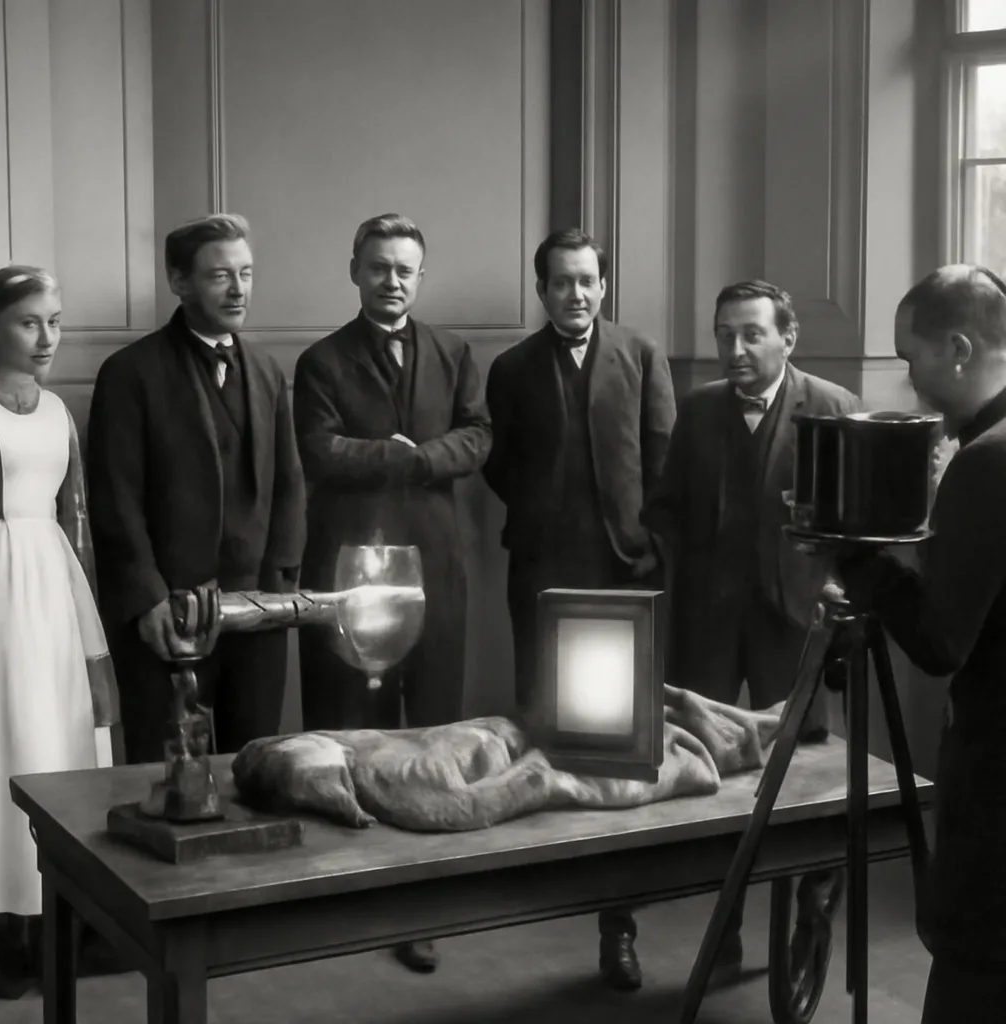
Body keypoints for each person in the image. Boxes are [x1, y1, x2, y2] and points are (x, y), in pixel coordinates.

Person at [642, 279, 858, 984]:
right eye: (724, 335)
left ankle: (810, 916)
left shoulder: (830, 410)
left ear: (787, 337)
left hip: (793, 626)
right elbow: (667, 509)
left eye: (751, 334)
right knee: (712, 777)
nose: (734, 349)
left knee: (807, 781)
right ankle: (725, 925)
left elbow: (854, 533)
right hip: (708, 624)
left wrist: (825, 592)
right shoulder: (699, 412)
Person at [292, 213, 491, 974]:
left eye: (405, 268)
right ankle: (351, 890)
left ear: (419, 274)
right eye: (378, 267)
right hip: (351, 569)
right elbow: (318, 448)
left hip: (437, 567)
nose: (392, 280)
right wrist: (398, 457)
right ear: (355, 271)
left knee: (433, 730)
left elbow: (478, 437)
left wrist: (413, 459)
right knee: (354, 729)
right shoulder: (320, 360)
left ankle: (422, 905)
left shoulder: (454, 352)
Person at [483, 227, 676, 991]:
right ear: (542, 290)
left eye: (588, 281)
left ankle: (616, 925)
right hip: (541, 574)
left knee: (620, 751)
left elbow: (661, 457)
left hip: (624, 575)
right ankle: (543, 890)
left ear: (604, 286)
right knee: (543, 729)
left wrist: (643, 541)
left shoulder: (640, 355)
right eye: (562, 282)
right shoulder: (512, 368)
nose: (577, 294)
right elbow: (498, 465)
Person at [836, 265, 1006, 1023]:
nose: (910, 382)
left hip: (998, 771)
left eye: (913, 360)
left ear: (960, 349)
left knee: (973, 964)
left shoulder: (987, 460)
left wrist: (858, 563)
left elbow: (940, 643)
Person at [86, 214, 306, 765]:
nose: (238, 290)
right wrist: (148, 598)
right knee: (167, 776)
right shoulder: (130, 372)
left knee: (255, 768)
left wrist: (279, 588)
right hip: (171, 615)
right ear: (179, 281)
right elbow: (116, 499)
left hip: (258, 613)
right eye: (219, 276)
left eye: (246, 274)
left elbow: (289, 485)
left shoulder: (266, 369)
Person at [0, 266, 117, 998]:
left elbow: (77, 515)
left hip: (52, 583)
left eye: (56, 321)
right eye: (30, 321)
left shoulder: (60, 412)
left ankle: (52, 916)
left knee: (53, 730)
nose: (47, 337)